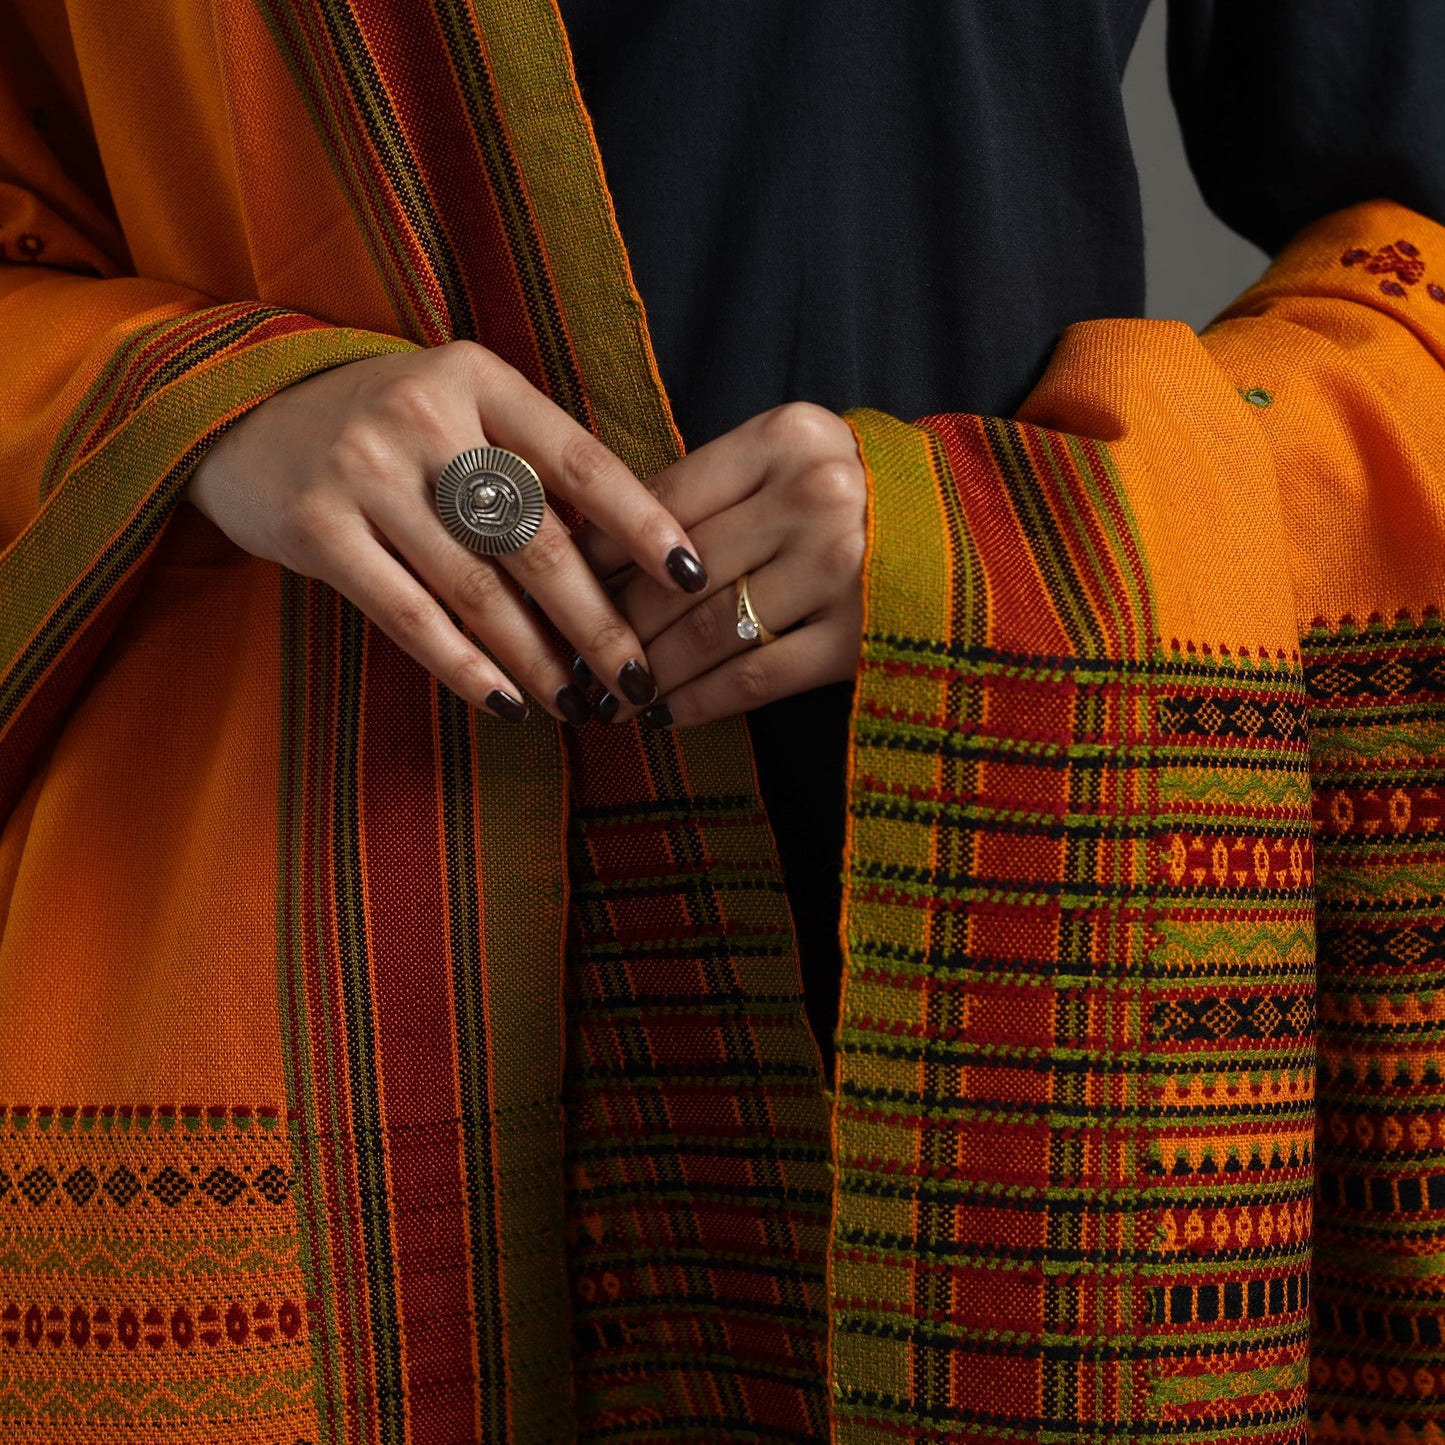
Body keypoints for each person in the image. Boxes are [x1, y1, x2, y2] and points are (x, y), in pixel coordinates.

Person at [2, 2, 1443, 1441]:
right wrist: (215, 407)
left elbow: (1416, 246)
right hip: (265, 915)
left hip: (952, 893)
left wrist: (1028, 535)